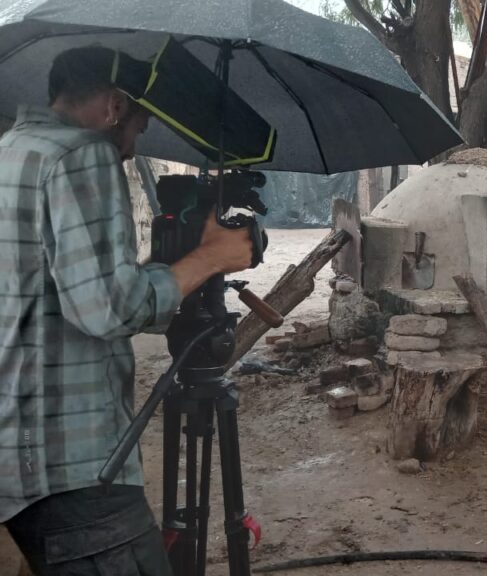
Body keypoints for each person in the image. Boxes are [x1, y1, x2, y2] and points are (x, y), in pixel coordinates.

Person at [0, 46, 254, 574]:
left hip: (18, 445)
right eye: (138, 127)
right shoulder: (80, 155)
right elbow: (111, 308)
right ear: (114, 107)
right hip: (70, 462)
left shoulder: (13, 151)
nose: (130, 148)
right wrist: (210, 258)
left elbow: (58, 286)